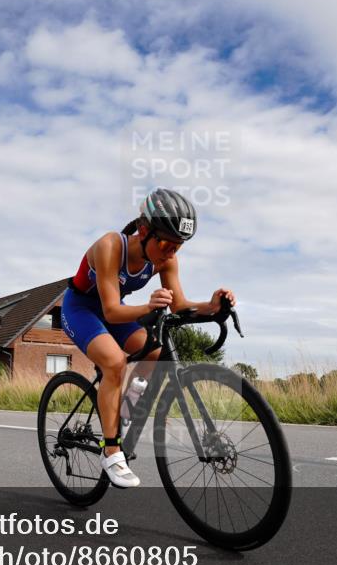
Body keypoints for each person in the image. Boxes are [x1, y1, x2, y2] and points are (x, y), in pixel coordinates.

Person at [61, 188, 236, 488]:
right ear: (143, 230)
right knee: (115, 363)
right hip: (81, 308)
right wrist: (148, 307)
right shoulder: (110, 246)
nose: (171, 252)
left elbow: (179, 305)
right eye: (167, 243)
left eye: (178, 247)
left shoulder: (165, 260)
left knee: (154, 355)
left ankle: (125, 411)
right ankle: (112, 451)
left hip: (114, 309)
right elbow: (112, 311)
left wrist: (212, 306)